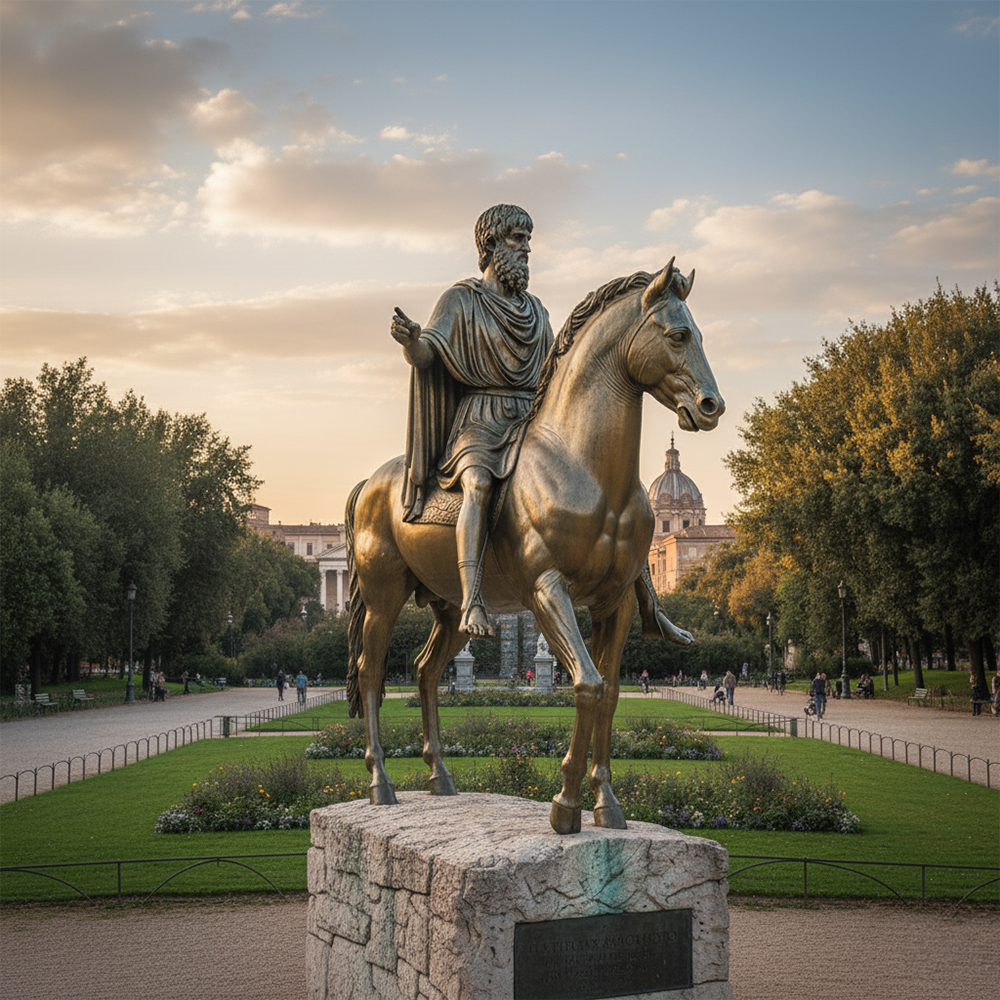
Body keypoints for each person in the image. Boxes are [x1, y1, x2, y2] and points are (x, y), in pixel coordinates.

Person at [391, 204, 554, 638]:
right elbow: (429, 352)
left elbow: (556, 374)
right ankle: (472, 600)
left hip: (530, 421)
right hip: (480, 421)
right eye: (516, 241)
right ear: (491, 245)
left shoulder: (537, 311)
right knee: (479, 485)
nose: (526, 251)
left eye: (528, 242)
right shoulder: (461, 300)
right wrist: (411, 343)